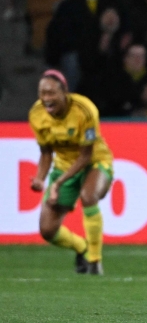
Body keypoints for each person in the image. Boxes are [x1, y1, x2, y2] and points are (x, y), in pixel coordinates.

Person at [28, 70, 114, 275]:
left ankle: (94, 261)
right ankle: (82, 248)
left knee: (88, 195)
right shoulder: (36, 114)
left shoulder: (85, 110)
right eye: (42, 93)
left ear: (64, 91)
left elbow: (85, 156)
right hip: (63, 167)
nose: (46, 99)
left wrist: (57, 184)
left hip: (95, 162)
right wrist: (40, 178)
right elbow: (46, 153)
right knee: (47, 230)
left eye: (51, 93)